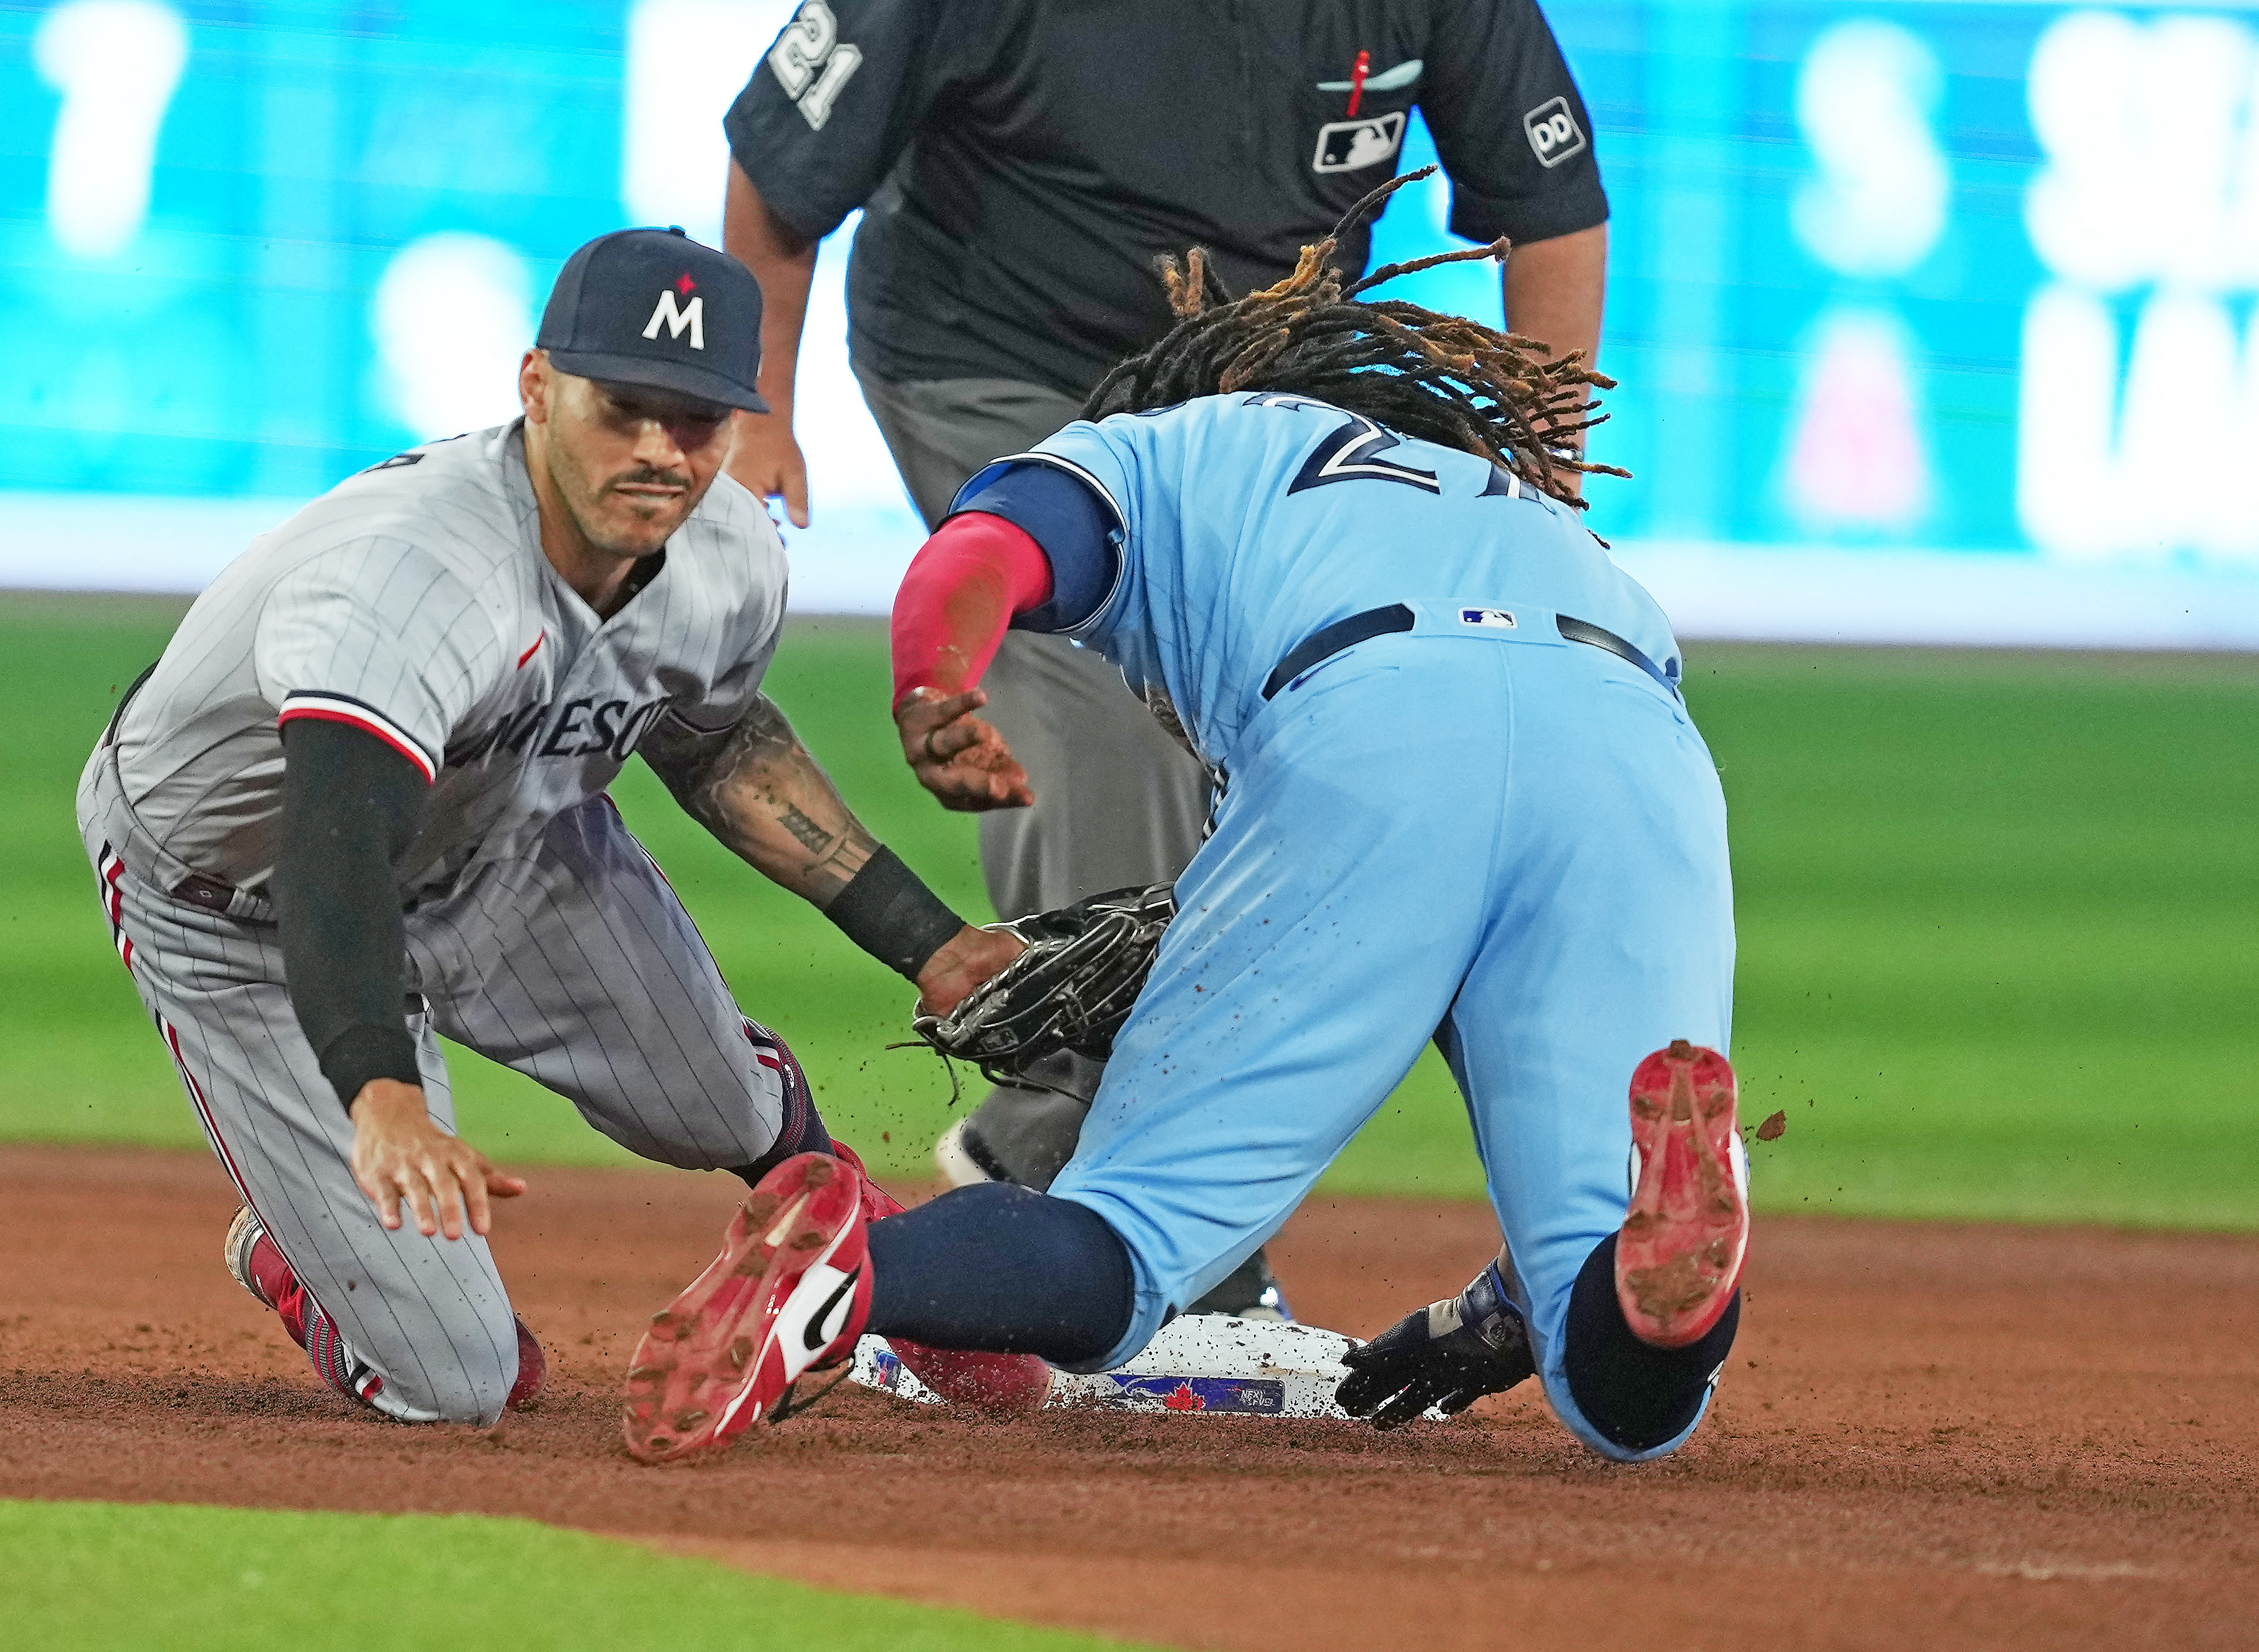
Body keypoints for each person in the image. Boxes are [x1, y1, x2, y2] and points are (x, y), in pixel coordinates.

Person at [625, 188, 1748, 1467]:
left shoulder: (1179, 439)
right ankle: (1628, 1265)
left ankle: (843, 1277)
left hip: (1374, 716)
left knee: (1130, 1236)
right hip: (1638, 746)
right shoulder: (1524, 507)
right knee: (1628, 1406)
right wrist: (1492, 1312)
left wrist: (933, 681)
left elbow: (988, 544)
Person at [721, 0, 1613, 1316]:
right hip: (990, 358)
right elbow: (780, 173)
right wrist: (759, 408)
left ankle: (1053, 1146)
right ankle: (1130, 1191)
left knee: (1334, 738)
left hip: (1257, 399)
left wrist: (1540, 476)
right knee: (1116, 715)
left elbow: (1549, 210)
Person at [75, 227, 1037, 1427]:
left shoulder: (727, 549)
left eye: (693, 420)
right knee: (465, 1382)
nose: (655, 450)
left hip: (506, 838)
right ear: (537, 388)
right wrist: (380, 1095)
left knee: (724, 1108)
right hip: (248, 905)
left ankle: (866, 1264)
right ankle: (302, 1243)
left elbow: (720, 742)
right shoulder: (414, 574)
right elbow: (336, 852)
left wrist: (930, 942)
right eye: (621, 407)